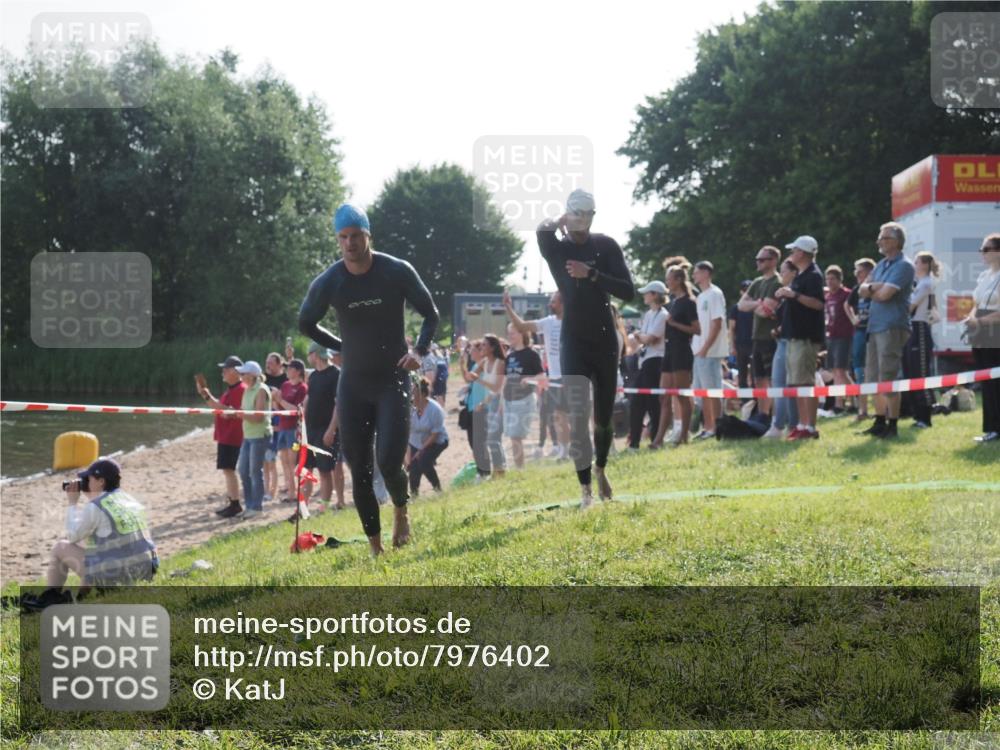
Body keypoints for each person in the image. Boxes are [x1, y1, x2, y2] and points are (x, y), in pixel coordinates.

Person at [299, 203, 439, 554]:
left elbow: (430, 314)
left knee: (390, 461)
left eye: (356, 236)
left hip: (392, 381)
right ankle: (375, 548)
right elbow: (305, 322)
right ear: (338, 240)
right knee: (358, 467)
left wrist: (419, 352)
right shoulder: (331, 280)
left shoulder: (396, 271)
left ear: (368, 235)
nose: (349, 243)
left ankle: (401, 512)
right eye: (343, 237)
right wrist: (342, 345)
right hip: (354, 385)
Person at [537, 189, 635, 507]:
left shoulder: (605, 246)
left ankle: (602, 469)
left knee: (603, 418)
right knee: (578, 416)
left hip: (605, 338)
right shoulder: (556, 248)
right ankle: (585, 491)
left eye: (586, 216)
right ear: (568, 216)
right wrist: (558, 219)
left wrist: (591, 273)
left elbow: (628, 291)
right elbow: (542, 229)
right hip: (573, 341)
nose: (580, 223)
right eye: (574, 216)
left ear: (593, 216)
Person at [25, 459, 157, 611]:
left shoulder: (96, 507)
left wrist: (72, 503)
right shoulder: (128, 499)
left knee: (60, 547)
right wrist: (93, 496)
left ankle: (50, 596)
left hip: (118, 580)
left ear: (101, 481)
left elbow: (73, 536)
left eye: (89, 478)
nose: (86, 482)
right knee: (90, 543)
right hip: (145, 573)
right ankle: (81, 594)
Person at [858, 222, 915, 440]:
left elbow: (885, 295)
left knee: (888, 375)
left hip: (892, 326)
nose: (879, 242)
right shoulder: (881, 264)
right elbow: (863, 290)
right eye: (879, 238)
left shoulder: (904, 266)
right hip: (874, 327)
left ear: (896, 241)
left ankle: (893, 424)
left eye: (884, 238)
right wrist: (875, 287)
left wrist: (873, 288)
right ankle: (879, 421)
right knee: (872, 377)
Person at [504, 290, 569, 459]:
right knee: (559, 416)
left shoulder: (573, 321)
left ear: (563, 304)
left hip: (572, 374)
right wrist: (508, 307)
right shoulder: (547, 322)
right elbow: (522, 326)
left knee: (574, 416)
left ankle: (579, 449)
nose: (550, 305)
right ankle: (564, 451)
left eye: (553, 302)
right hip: (554, 376)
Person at [775, 236, 825, 440]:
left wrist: (793, 295)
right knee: (796, 383)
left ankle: (810, 427)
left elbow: (818, 304)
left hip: (805, 337)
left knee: (805, 382)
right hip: (794, 336)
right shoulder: (801, 275)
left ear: (802, 253)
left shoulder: (813, 275)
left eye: (793, 250)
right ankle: (802, 424)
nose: (790, 254)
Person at [651, 259, 699, 447]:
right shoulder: (671, 304)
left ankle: (684, 436)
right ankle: (658, 439)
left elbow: (697, 329)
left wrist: (675, 324)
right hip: (669, 351)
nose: (667, 283)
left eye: (669, 279)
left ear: (678, 280)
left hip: (681, 350)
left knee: (681, 395)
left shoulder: (688, 302)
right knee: (664, 396)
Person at [198, 355, 246, 518]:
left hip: (233, 436)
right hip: (227, 435)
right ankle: (233, 501)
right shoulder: (232, 389)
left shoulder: (240, 389)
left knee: (229, 469)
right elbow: (221, 408)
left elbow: (231, 412)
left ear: (235, 371)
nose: (223, 372)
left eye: (226, 369)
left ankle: (235, 503)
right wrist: (207, 396)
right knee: (227, 470)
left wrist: (207, 396)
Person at [963, 232, 1000, 443]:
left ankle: (997, 428)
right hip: (980, 332)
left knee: (996, 381)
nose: (982, 253)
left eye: (986, 249)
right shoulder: (984, 276)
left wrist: (981, 321)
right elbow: (977, 304)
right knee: (986, 380)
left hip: (996, 331)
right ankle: (991, 428)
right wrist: (970, 318)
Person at [738, 246, 782, 419]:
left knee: (772, 379)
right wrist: (759, 303)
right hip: (756, 338)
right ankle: (763, 415)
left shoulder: (777, 282)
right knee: (759, 380)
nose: (758, 262)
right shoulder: (757, 282)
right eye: (757, 259)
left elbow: (767, 311)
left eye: (762, 259)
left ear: (773, 261)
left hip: (770, 337)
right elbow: (741, 305)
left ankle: (775, 415)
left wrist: (755, 304)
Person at [303, 342, 344, 512]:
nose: (308, 357)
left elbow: (339, 404)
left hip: (325, 429)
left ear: (315, 354)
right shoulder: (312, 377)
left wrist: (332, 429)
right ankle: (303, 506)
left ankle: (324, 508)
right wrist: (302, 423)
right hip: (310, 429)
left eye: (309, 354)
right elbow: (309, 400)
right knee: (309, 469)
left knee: (326, 470)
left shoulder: (336, 374)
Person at [763, 258, 801, 438]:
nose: (781, 275)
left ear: (793, 273)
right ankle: (789, 425)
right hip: (783, 340)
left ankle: (780, 426)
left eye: (784, 271)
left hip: (790, 342)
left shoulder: (793, 293)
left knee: (782, 384)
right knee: (783, 384)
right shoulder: (786, 297)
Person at [690, 261, 728, 439]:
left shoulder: (715, 294)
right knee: (702, 393)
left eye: (696, 272)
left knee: (712, 391)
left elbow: (717, 323)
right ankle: (708, 427)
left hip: (710, 351)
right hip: (698, 351)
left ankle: (717, 427)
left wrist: (706, 347)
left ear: (706, 273)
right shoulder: (701, 296)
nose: (694, 276)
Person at [902, 251, 940, 429]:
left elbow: (910, 306)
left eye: (916, 262)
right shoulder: (919, 283)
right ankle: (917, 415)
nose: (914, 265)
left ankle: (925, 416)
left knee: (921, 373)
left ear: (925, 264)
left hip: (920, 329)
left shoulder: (926, 283)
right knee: (911, 372)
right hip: (912, 330)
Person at [628, 281, 668, 449]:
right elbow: (641, 338)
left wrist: (640, 336)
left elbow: (648, 338)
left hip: (656, 361)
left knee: (653, 403)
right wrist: (641, 336)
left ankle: (655, 441)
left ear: (655, 295)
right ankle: (635, 443)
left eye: (647, 293)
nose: (644, 295)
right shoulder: (649, 314)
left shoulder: (663, 315)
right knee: (636, 402)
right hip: (645, 361)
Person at [233, 361, 272, 521]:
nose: (240, 376)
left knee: (255, 472)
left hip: (260, 435)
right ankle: (249, 505)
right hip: (248, 435)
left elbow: (258, 416)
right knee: (243, 470)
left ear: (251, 375)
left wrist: (242, 415)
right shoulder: (247, 390)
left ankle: (256, 507)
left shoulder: (261, 390)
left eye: (243, 374)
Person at [503, 321, 544, 468]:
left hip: (524, 399)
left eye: (512, 333)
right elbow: (506, 379)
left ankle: (520, 469)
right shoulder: (510, 356)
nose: (510, 336)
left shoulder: (531, 354)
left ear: (522, 334)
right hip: (509, 400)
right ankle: (519, 468)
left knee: (515, 436)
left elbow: (542, 377)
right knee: (513, 436)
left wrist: (530, 379)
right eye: (508, 333)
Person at [271, 359, 308, 514]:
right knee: (284, 462)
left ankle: (297, 493)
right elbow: (278, 408)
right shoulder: (285, 385)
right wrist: (275, 399)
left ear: (298, 371)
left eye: (290, 368)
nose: (287, 371)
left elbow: (297, 410)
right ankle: (291, 492)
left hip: (294, 429)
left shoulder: (302, 388)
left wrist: (280, 400)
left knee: (293, 463)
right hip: (283, 428)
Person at [844, 259, 875, 421]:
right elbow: (846, 305)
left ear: (870, 272)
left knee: (874, 371)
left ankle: (879, 410)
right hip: (860, 332)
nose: (856, 275)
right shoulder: (857, 290)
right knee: (859, 371)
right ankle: (862, 411)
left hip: (875, 332)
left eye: (859, 272)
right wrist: (853, 319)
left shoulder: (876, 287)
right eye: (855, 272)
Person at [407, 378, 449, 494]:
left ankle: (438, 490)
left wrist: (421, 451)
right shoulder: (410, 409)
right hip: (417, 442)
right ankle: (414, 496)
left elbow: (435, 434)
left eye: (414, 393)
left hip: (436, 441)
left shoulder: (435, 409)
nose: (411, 396)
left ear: (423, 394)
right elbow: (408, 435)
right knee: (414, 469)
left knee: (424, 462)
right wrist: (408, 457)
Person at [473, 333, 507, 477]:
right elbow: (470, 376)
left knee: (492, 438)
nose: (481, 347)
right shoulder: (485, 362)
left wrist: (479, 380)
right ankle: (501, 470)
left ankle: (499, 470)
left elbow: (497, 388)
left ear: (492, 347)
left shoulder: (500, 363)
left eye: (484, 344)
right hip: (491, 403)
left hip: (502, 403)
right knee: (494, 439)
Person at [824, 265, 854, 414]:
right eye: (827, 279)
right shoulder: (828, 296)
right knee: (837, 371)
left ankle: (839, 404)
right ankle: (855, 397)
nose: (829, 282)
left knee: (839, 371)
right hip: (831, 335)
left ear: (839, 280)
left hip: (844, 335)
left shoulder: (846, 294)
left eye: (832, 279)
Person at [460, 338, 490, 478]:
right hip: (472, 407)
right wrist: (462, 365)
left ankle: (485, 471)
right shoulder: (475, 366)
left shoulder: (486, 367)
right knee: (473, 442)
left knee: (480, 442)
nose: (470, 352)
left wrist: (484, 403)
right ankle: (481, 471)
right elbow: (468, 379)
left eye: (472, 349)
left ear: (480, 351)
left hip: (482, 408)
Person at [262, 352, 288, 502]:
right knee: (267, 460)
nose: (268, 365)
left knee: (284, 459)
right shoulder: (264, 378)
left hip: (282, 421)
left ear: (279, 364)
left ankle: (283, 487)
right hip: (268, 421)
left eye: (271, 363)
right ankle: (268, 490)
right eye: (267, 362)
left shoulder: (285, 379)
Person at [728, 280, 754, 391]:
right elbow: (732, 328)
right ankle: (745, 400)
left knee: (755, 374)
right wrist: (732, 346)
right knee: (742, 374)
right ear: (741, 292)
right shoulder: (736, 308)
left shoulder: (755, 306)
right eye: (745, 290)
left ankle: (756, 402)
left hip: (754, 344)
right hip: (741, 344)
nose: (747, 293)